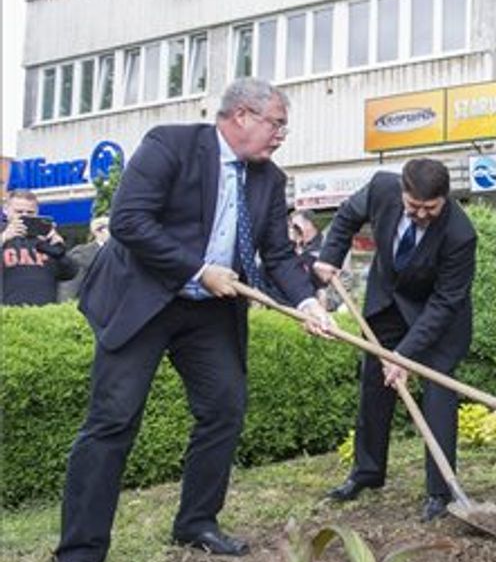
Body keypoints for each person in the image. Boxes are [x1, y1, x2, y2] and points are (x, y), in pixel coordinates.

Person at [56, 78, 326, 561]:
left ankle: (196, 521)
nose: (282, 134)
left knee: (224, 408)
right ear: (242, 115)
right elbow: (129, 222)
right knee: (112, 422)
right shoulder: (171, 145)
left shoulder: (269, 178)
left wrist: (308, 304)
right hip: (145, 300)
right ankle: (81, 548)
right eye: (277, 123)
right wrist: (199, 269)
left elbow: (280, 256)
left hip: (209, 313)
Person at [313, 158, 477, 523]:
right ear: (402, 192)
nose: (420, 215)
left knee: (437, 396)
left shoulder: (460, 234)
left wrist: (404, 356)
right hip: (388, 303)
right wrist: (329, 256)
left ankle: (440, 491)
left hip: (436, 320)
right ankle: (367, 472)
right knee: (374, 385)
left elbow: (445, 302)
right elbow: (345, 217)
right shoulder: (381, 187)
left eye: (429, 208)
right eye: (413, 206)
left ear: (445, 199)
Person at [1, 190, 77, 306]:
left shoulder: (45, 236)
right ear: (6, 211)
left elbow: (70, 273)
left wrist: (59, 250)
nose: (24, 215)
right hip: (7, 314)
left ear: (37, 212)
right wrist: (4, 238)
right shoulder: (3, 233)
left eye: (30, 212)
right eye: (19, 212)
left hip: (44, 313)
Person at [58, 215, 110, 301]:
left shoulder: (121, 252)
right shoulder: (83, 254)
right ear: (98, 231)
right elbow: (70, 287)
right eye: (111, 228)